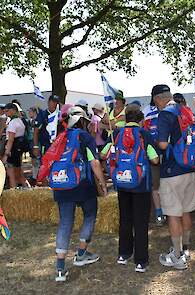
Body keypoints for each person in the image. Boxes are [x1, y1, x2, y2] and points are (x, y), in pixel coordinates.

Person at [101, 104, 159, 273]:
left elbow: (103, 154)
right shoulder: (144, 134)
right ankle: (141, 261)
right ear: (140, 121)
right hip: (141, 184)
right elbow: (155, 160)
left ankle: (124, 254)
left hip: (122, 182)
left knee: (125, 219)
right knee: (140, 222)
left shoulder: (117, 134)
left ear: (126, 119)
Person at [52, 106, 107, 282]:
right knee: (89, 216)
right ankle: (81, 254)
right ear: (83, 121)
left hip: (62, 184)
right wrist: (103, 184)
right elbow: (94, 163)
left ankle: (60, 268)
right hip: (83, 186)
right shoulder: (85, 137)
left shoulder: (59, 136)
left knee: (65, 223)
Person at [153, 84, 195, 270]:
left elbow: (163, 144)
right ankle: (185, 249)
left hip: (172, 170)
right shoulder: (185, 110)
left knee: (172, 213)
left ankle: (177, 257)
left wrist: (153, 142)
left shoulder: (165, 114)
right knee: (186, 210)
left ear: (158, 99)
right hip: (191, 166)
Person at [143, 94, 164, 226]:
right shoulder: (147, 113)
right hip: (154, 155)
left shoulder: (171, 111)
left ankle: (169, 212)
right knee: (155, 186)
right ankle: (159, 213)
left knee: (168, 185)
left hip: (170, 155)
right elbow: (145, 134)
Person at [1, 103, 29, 188]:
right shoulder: (20, 121)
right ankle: (28, 190)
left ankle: (13, 192)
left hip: (13, 149)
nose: (5, 113)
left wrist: (6, 154)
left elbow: (10, 140)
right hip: (18, 149)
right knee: (19, 174)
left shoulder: (13, 123)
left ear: (13, 110)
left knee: (11, 174)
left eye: (7, 111)